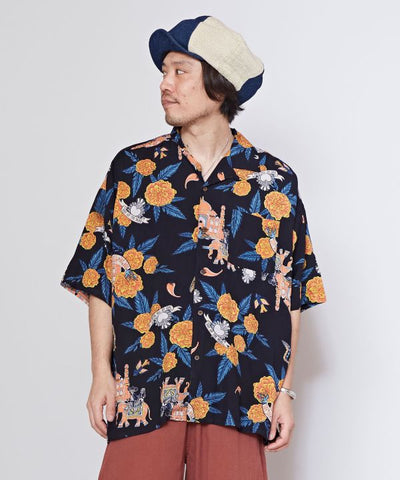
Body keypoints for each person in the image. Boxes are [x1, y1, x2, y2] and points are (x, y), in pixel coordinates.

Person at [60, 15, 327, 480]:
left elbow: (291, 293)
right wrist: (101, 373)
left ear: (219, 86)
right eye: (164, 72)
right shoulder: (133, 170)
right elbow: (99, 276)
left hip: (238, 394)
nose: (165, 84)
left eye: (180, 71)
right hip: (144, 389)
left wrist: (284, 391)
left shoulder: (274, 182)